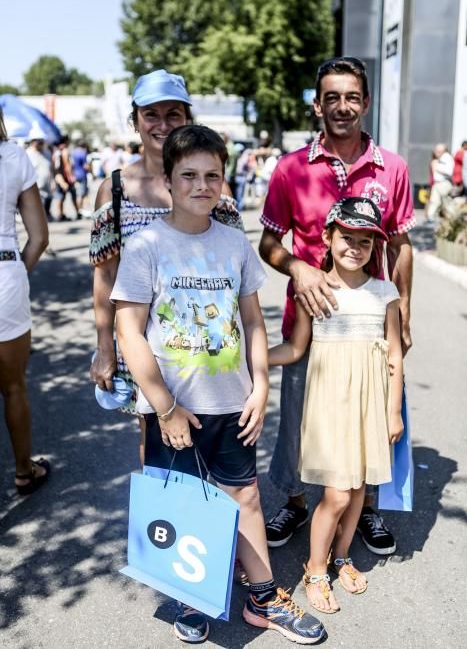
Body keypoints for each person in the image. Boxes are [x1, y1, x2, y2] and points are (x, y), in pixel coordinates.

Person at [110, 124, 325, 645]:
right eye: (189, 175)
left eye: (212, 175)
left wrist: (260, 387)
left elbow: (252, 321)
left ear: (225, 181)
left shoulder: (234, 244)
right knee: (184, 500)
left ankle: (263, 597)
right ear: (167, 181)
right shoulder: (146, 246)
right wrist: (164, 407)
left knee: (245, 497)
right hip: (175, 408)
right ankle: (191, 595)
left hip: (232, 403)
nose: (202, 185)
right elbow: (129, 331)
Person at [259, 56, 414, 555]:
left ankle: (364, 508)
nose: (342, 107)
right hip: (311, 319)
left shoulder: (393, 168)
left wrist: (404, 309)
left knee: (369, 415)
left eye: (352, 97)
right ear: (317, 104)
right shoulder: (290, 169)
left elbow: (400, 245)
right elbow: (268, 243)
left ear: (365, 102)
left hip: (370, 321)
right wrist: (298, 268)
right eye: (332, 97)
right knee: (303, 420)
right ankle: (297, 502)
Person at [90, 70, 242, 465]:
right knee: (157, 441)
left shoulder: (213, 188)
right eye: (150, 114)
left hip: (205, 342)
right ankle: (167, 524)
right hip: (142, 343)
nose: (162, 124)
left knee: (214, 445)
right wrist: (106, 347)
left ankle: (209, 523)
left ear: (188, 118)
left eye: (173, 114)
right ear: (135, 120)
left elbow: (232, 271)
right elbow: (105, 275)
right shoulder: (116, 189)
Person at [269, 197, 403, 614]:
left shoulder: (385, 292)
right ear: (328, 236)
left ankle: (342, 556)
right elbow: (295, 349)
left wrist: (393, 410)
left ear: (374, 246)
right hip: (328, 406)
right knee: (338, 495)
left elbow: (395, 354)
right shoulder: (315, 289)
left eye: (365, 240)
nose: (355, 246)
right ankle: (314, 568)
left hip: (369, 406)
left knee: (360, 488)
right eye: (347, 236)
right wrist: (249, 355)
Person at [0, 109, 50, 494]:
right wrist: (17, 274)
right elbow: (38, 237)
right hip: (5, 278)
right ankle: (23, 470)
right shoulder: (14, 157)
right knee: (14, 386)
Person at [52, 135, 79, 221]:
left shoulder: (56, 150)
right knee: (72, 195)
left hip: (59, 176)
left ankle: (60, 214)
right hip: (65, 177)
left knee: (60, 196)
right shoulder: (64, 151)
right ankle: (77, 212)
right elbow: (67, 165)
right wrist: (71, 177)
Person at [426, 143, 454, 221]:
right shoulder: (439, 159)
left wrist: (436, 166)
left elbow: (449, 171)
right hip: (438, 184)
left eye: (438, 150)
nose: (436, 152)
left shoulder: (446, 157)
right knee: (435, 201)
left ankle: (453, 219)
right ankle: (430, 218)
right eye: (436, 150)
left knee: (446, 203)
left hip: (444, 183)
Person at [71, 140, 91, 217]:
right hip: (82, 175)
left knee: (78, 193)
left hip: (75, 175)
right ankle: (80, 211)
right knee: (81, 194)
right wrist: (90, 170)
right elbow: (85, 165)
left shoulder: (73, 152)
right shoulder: (83, 152)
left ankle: (78, 210)